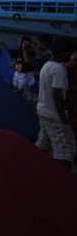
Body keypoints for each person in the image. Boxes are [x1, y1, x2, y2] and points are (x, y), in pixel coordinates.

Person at [35, 39, 76, 169]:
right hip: (54, 114)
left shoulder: (47, 65)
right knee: (65, 151)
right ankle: (60, 178)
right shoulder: (59, 69)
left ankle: (33, 165)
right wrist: (63, 117)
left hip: (42, 109)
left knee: (43, 143)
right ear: (65, 52)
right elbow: (57, 94)